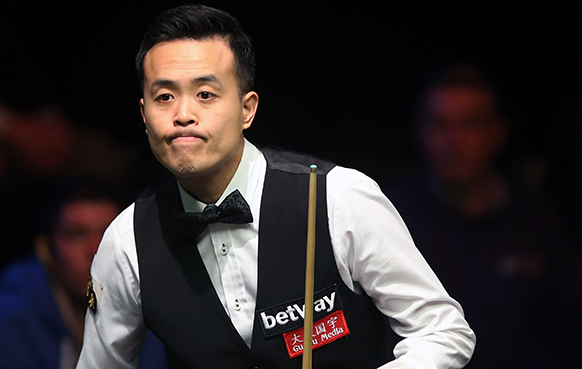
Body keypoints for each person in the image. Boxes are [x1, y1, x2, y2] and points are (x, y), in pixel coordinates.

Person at [76, 5, 474, 369]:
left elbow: (442, 331)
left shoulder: (338, 197)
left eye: (205, 94)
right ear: (144, 114)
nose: (183, 114)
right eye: (164, 97)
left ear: (247, 108)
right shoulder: (127, 241)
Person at [384, 63, 582, 367]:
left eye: (471, 123)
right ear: (419, 133)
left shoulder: (539, 223)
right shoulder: (391, 218)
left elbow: (568, 330)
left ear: (497, 132)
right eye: (440, 124)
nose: (455, 139)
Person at [0, 182, 168, 369]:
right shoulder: (2, 325)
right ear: (46, 250)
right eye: (76, 235)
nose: (97, 249)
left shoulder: (152, 314)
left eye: (109, 233)